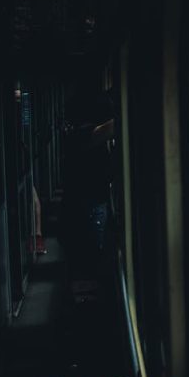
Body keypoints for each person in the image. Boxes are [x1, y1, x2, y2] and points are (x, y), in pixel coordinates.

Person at [64, 80, 115, 278]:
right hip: (89, 204)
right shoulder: (83, 134)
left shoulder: (77, 132)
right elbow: (109, 128)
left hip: (89, 201)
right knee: (93, 258)